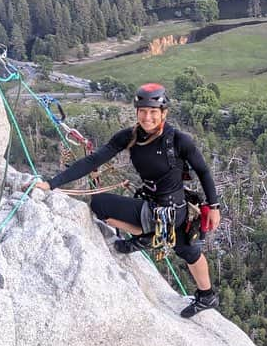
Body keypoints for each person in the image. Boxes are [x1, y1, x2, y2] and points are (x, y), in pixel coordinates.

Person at [35, 83, 222, 318]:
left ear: (164, 113)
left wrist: (213, 207)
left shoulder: (179, 141)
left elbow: (203, 171)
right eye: (143, 111)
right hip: (165, 208)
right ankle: (207, 295)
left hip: (170, 210)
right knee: (187, 250)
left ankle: (147, 237)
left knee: (99, 204)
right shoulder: (129, 137)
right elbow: (94, 160)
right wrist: (53, 183)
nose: (147, 117)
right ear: (136, 112)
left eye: (153, 111)